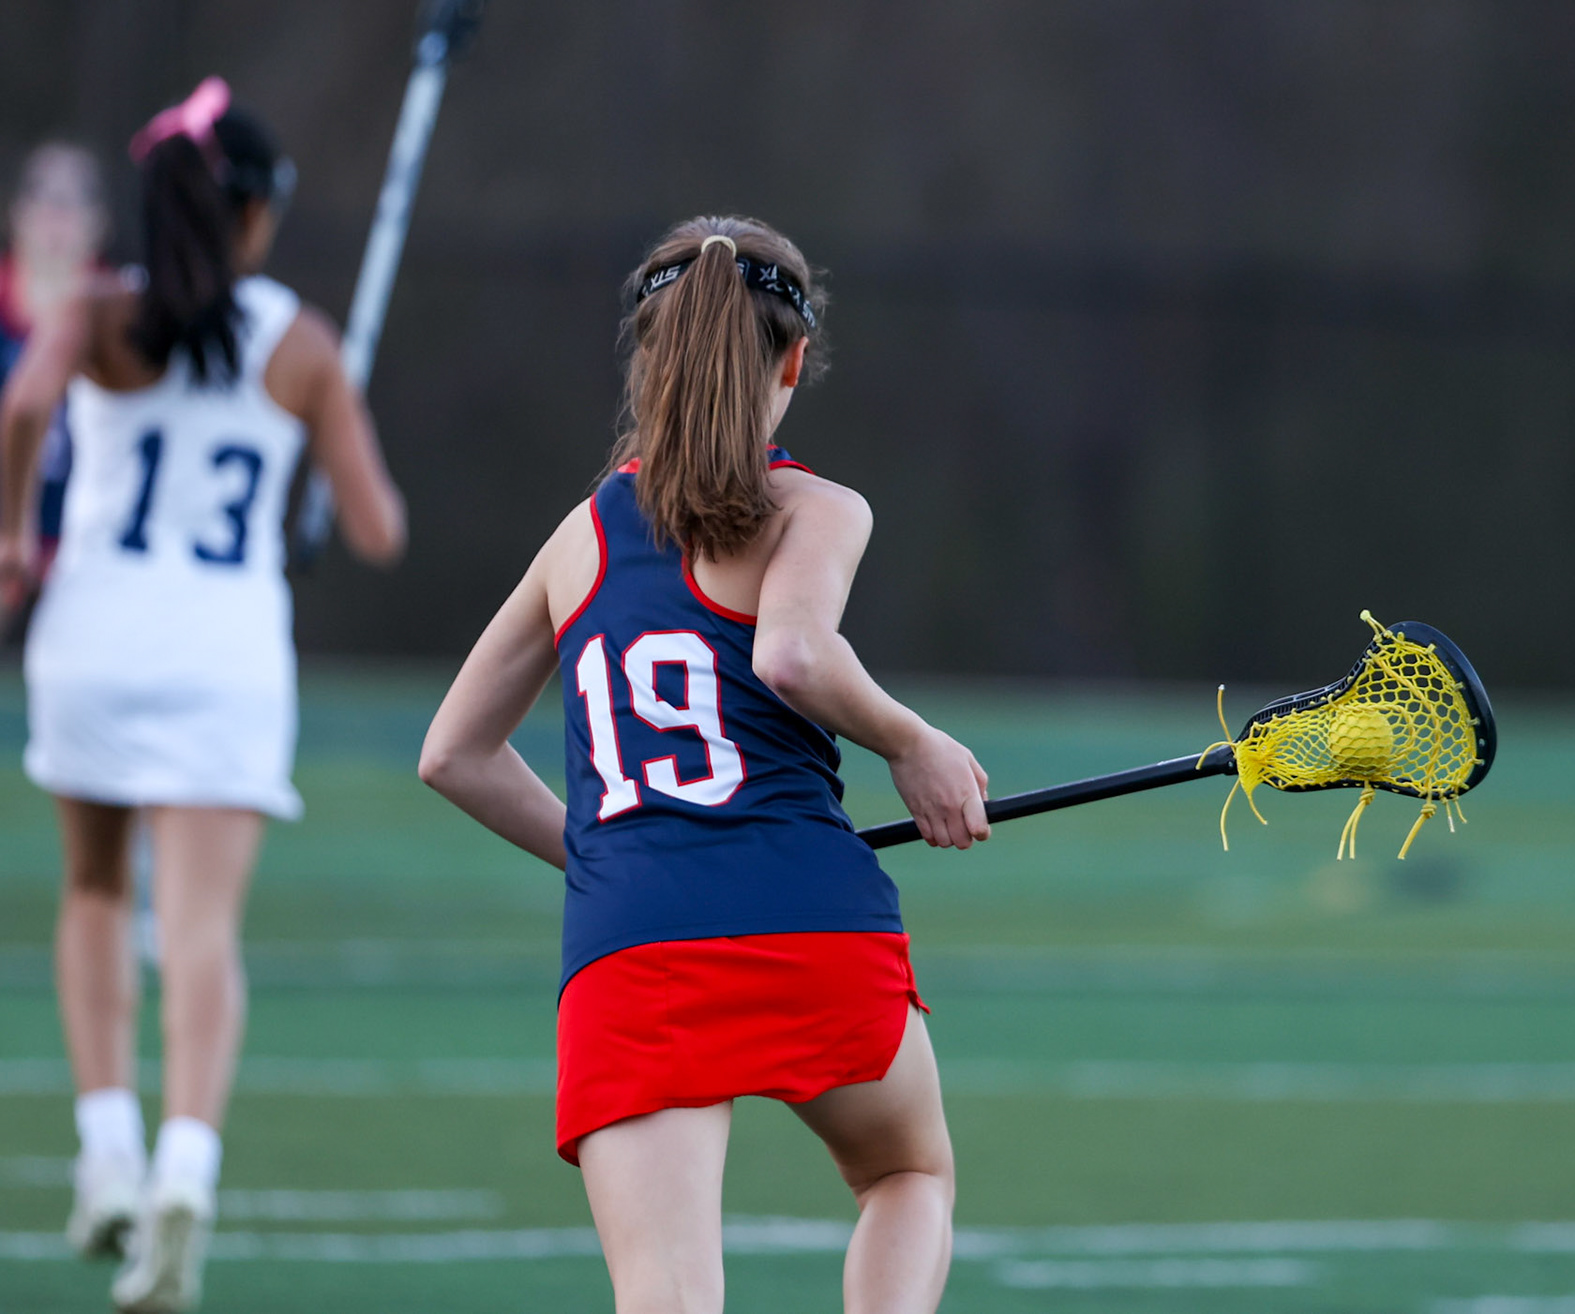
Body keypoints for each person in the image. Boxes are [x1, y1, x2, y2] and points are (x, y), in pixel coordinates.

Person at [420, 215, 989, 1314]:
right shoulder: (817, 510)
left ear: (648, 357)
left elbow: (454, 754)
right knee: (906, 1174)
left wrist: (608, 855)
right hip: (807, 916)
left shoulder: (579, 537)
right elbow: (790, 650)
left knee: (666, 1298)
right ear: (791, 364)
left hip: (630, 948)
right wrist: (914, 743)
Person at [0, 78, 407, 1314]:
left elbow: (21, 405)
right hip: (226, 654)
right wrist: (323, 497)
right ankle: (186, 1164)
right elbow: (382, 529)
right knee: (201, 934)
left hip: (94, 641)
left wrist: (15, 535)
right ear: (256, 215)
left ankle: (109, 1146)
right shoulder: (305, 346)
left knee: (88, 889)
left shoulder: (101, 315)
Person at [0, 141, 108, 619]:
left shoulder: (119, 315)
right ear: (16, 213)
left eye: (72, 200)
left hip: (89, 554)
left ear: (98, 221)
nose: (56, 216)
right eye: (44, 196)